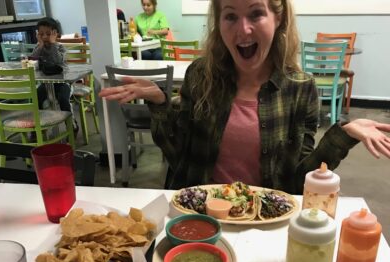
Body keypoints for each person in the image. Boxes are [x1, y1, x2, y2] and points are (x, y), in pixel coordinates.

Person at [100, 0, 390, 192]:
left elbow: (298, 181)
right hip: (201, 218)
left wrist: (343, 135)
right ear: (219, 22)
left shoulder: (300, 88)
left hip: (264, 224)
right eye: (230, 16)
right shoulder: (201, 75)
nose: (243, 29)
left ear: (278, 18)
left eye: (256, 13)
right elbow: (179, 157)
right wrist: (160, 104)